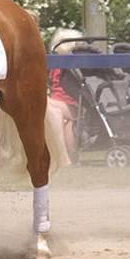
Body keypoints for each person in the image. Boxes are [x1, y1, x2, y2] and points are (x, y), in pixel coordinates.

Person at [48, 28, 84, 165]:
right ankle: (68, 157)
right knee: (60, 118)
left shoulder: (62, 63)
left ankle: (63, 158)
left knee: (44, 105)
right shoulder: (75, 62)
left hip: (68, 104)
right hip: (69, 106)